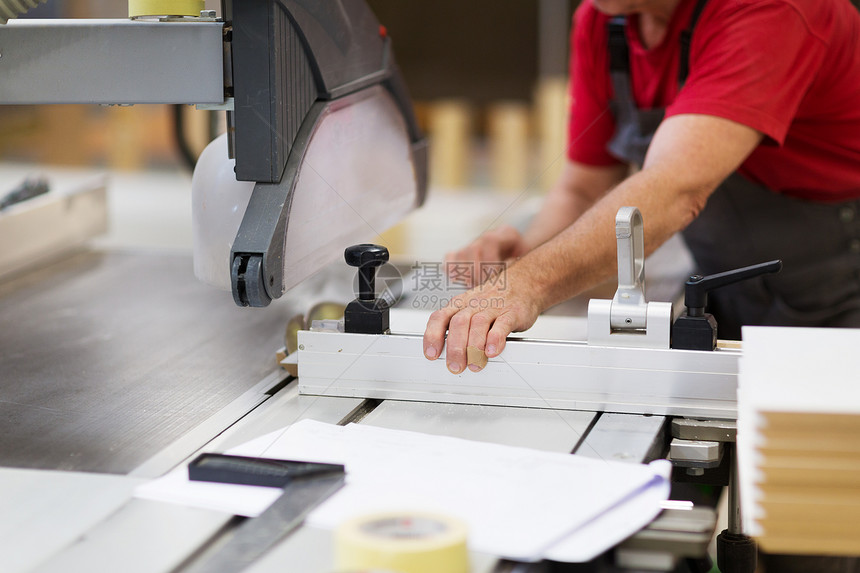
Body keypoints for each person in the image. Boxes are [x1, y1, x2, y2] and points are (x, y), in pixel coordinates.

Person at [423, 0, 860, 376]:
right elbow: (584, 188)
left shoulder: (773, 9)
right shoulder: (603, 22)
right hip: (734, 291)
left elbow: (675, 190)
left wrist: (529, 284)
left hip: (839, 293)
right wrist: (523, 254)